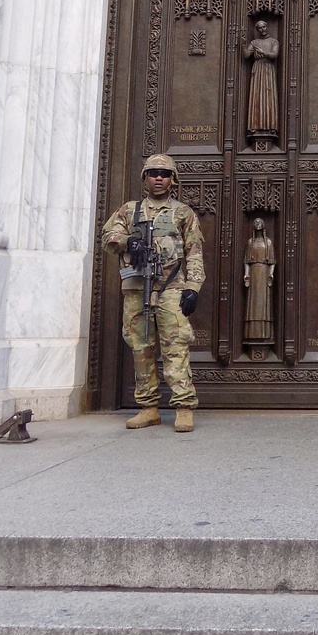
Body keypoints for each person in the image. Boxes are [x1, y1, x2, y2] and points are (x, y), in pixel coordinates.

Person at [101, 154, 205, 433]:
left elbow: (194, 253)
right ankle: (148, 408)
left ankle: (183, 407)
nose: (159, 178)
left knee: (176, 346)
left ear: (173, 180)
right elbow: (107, 236)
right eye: (153, 173)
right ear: (145, 178)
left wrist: (192, 288)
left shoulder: (182, 213)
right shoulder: (130, 210)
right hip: (137, 288)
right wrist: (128, 242)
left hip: (171, 287)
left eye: (165, 173)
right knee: (141, 348)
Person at [243, 216, 276, 346]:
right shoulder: (250, 242)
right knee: (253, 302)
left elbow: (272, 261)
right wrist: (246, 274)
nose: (257, 224)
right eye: (255, 222)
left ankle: (265, 333)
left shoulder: (268, 243)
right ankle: (251, 332)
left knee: (263, 302)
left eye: (259, 222)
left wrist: (271, 274)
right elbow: (246, 261)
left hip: (264, 272)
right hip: (253, 273)